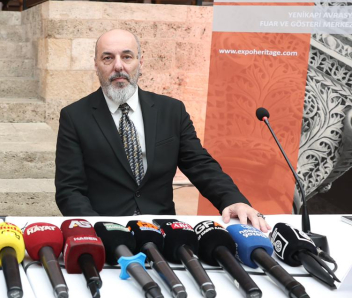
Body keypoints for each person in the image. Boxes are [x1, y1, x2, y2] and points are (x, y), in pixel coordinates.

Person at [55, 29, 268, 231]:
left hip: (164, 231)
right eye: (108, 58)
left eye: (127, 57)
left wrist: (232, 199)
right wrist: (97, 229)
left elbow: (199, 164)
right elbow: (69, 190)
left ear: (140, 62)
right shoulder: (75, 117)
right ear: (96, 64)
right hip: (107, 231)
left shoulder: (172, 110)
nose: (118, 66)